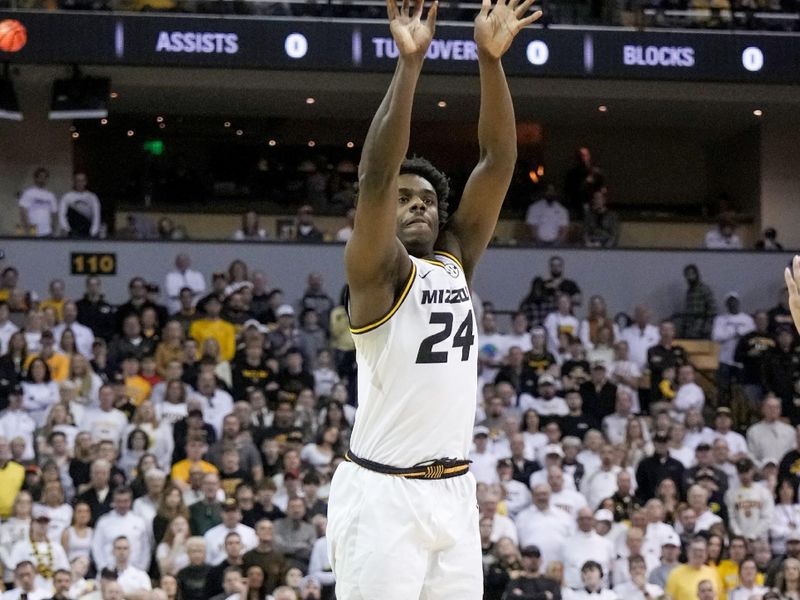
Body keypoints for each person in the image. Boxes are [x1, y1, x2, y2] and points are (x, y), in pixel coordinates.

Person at [325, 0, 540, 598]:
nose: (418, 203)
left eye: (427, 197)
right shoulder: (375, 273)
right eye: (405, 197)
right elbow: (374, 174)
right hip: (383, 496)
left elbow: (499, 161)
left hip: (454, 492)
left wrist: (489, 61)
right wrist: (410, 64)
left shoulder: (455, 259)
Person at [58, 172, 101, 238]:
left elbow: (96, 216)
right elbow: (62, 215)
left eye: (82, 180)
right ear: (74, 182)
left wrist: (93, 232)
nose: (80, 183)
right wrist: (67, 230)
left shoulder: (92, 197)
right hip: (72, 232)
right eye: (77, 181)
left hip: (88, 232)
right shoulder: (67, 196)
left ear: (85, 182)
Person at [18, 168, 58, 237]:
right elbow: (23, 212)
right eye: (40, 177)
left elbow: (54, 213)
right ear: (35, 178)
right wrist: (27, 229)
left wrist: (53, 229)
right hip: (32, 230)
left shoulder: (51, 196)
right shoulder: (28, 193)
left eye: (45, 177)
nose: (42, 179)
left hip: (47, 231)